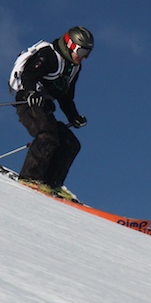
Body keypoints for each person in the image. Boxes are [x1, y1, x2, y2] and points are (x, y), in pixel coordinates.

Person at [8, 26, 94, 192]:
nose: (84, 58)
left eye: (88, 54)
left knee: (71, 143)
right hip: (28, 102)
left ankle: (52, 184)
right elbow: (29, 75)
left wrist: (74, 116)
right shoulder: (50, 55)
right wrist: (31, 92)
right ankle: (30, 178)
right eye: (82, 52)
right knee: (47, 136)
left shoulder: (74, 68)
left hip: (45, 106)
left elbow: (66, 97)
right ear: (70, 45)